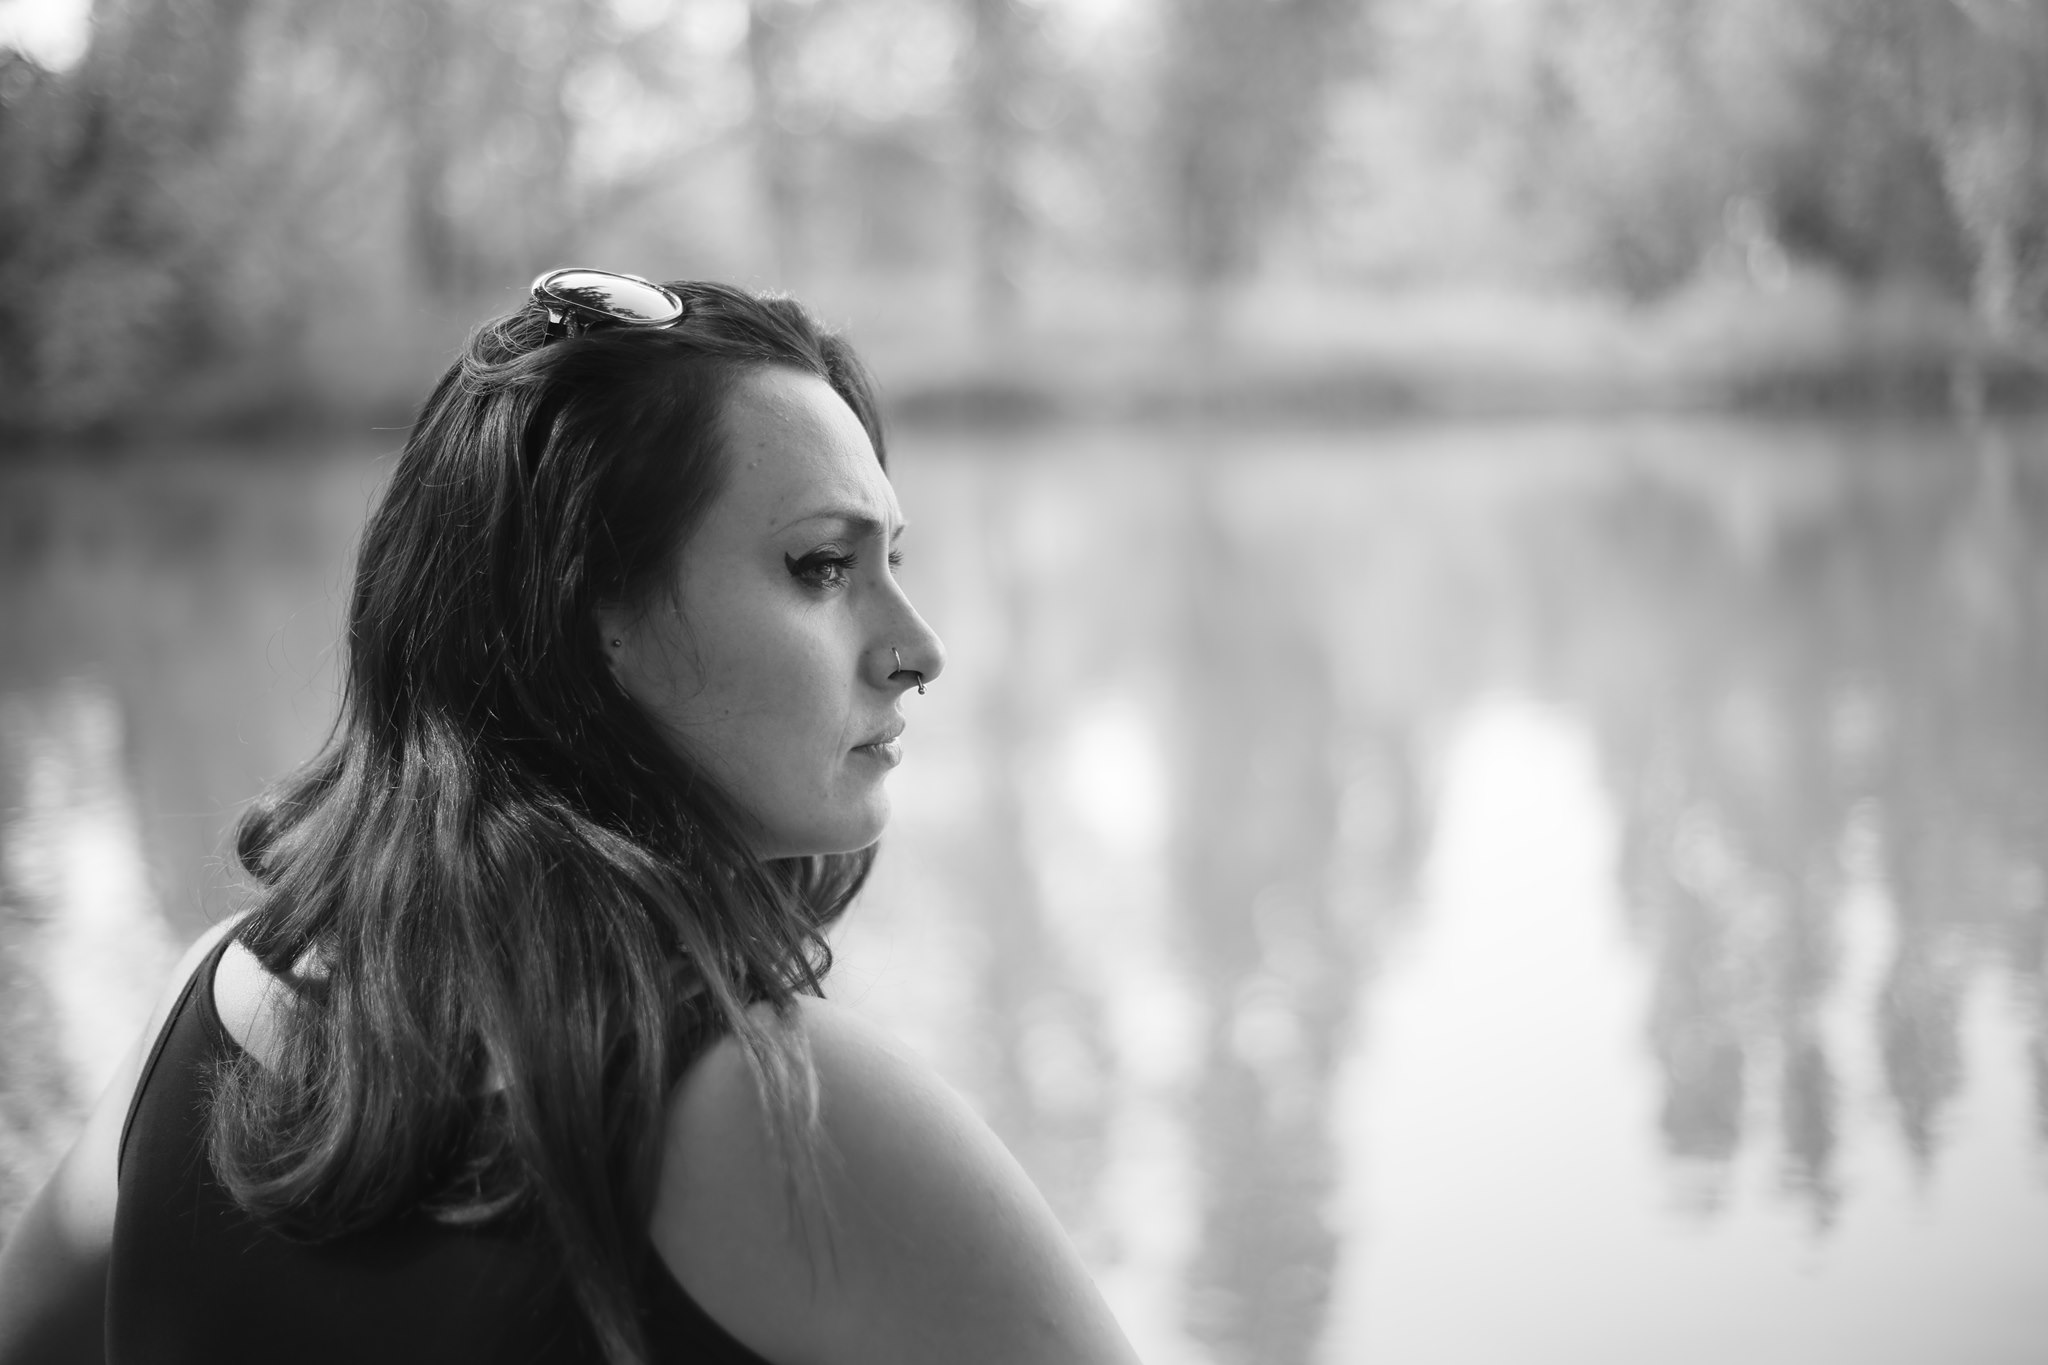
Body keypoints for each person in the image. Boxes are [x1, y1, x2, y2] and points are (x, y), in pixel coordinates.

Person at [0, 271, 1143, 1365]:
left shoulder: (205, 1005)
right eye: (820, 568)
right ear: (591, 615)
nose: (918, 649)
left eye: (891, 559)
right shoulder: (794, 1119)